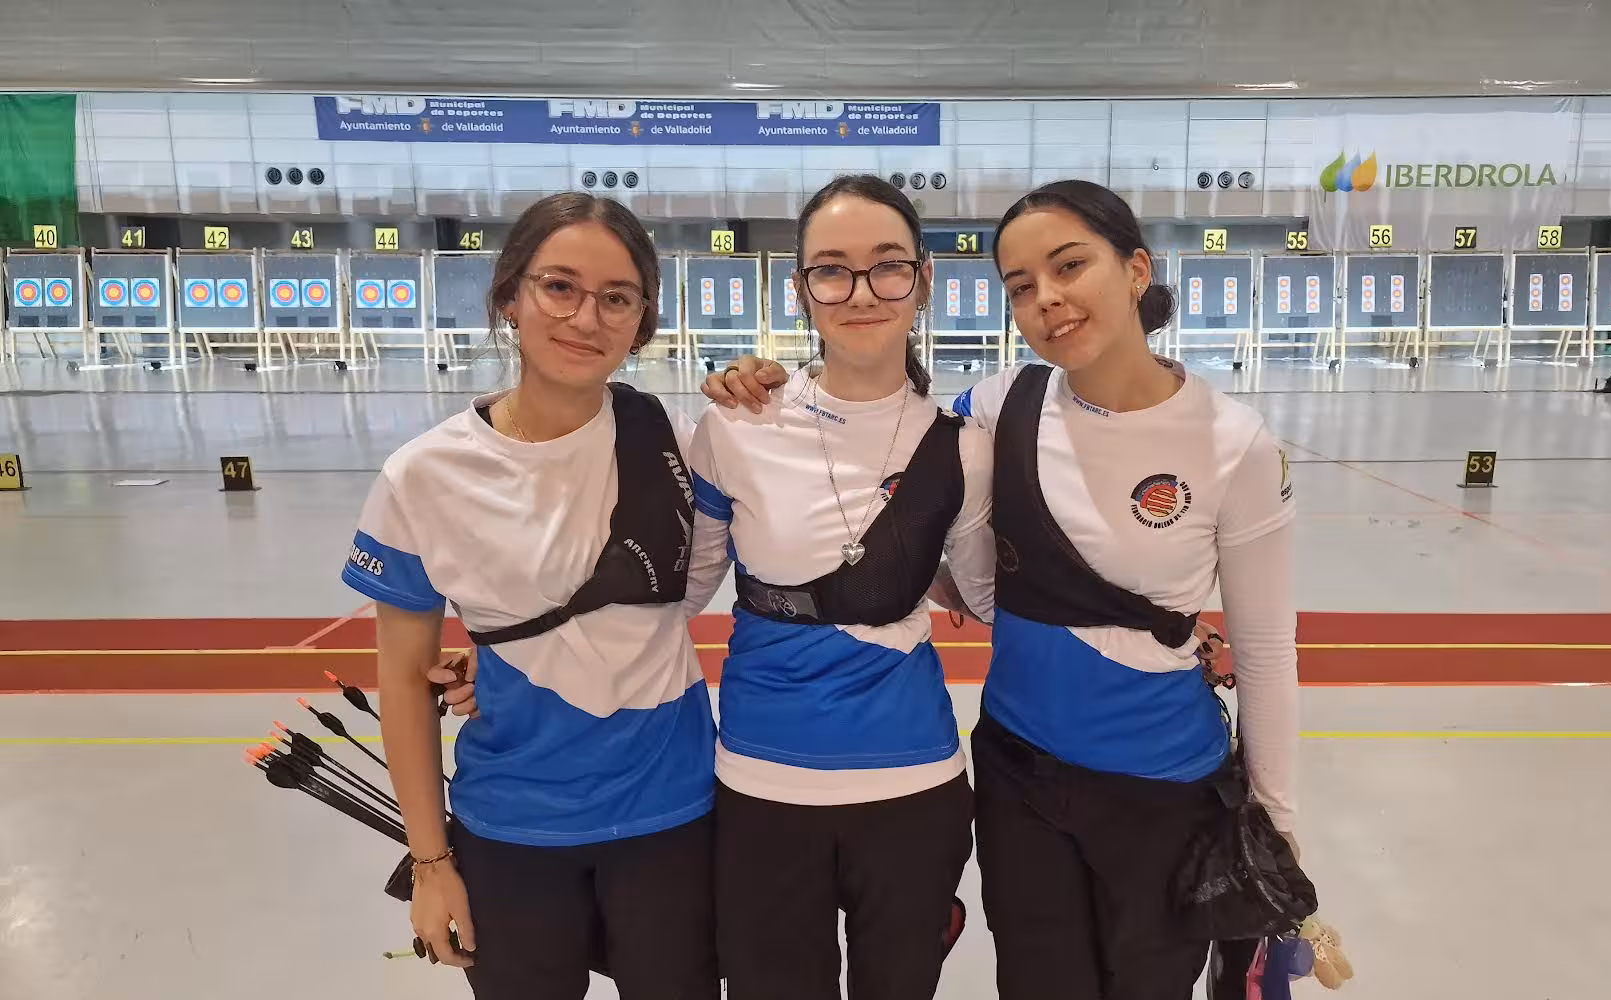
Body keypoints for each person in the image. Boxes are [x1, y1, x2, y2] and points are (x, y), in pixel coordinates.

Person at [703, 179, 1301, 1000]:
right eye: (1021, 286)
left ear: (1135, 269)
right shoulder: (997, 407)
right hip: (1020, 776)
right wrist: (759, 379)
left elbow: (1266, 652)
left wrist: (1277, 823)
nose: (1047, 299)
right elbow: (897, 483)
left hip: (1162, 786)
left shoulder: (1237, 445)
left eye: (1069, 266)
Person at [344, 192, 725, 1000]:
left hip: (673, 817)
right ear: (509, 296)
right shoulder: (422, 476)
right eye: (560, 287)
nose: (587, 317)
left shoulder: (675, 444)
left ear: (641, 319)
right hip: (513, 827)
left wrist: (764, 386)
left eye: (617, 297)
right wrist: (431, 863)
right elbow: (407, 688)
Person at [689, 174, 995, 1000]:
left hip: (914, 786)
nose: (861, 292)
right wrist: (504, 658)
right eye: (832, 269)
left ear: (924, 280)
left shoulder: (963, 446)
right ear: (801, 290)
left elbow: (991, 599)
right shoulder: (735, 424)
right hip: (761, 784)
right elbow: (671, 600)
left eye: (888, 265)